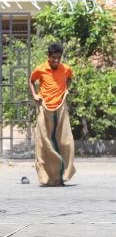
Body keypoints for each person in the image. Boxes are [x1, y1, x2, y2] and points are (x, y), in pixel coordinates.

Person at [29, 43, 75, 186]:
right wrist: (35, 95)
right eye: (53, 58)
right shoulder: (41, 69)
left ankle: (63, 174)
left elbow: (70, 78)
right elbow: (31, 81)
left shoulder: (66, 69)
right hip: (44, 108)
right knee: (44, 141)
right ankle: (46, 177)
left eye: (58, 58)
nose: (56, 60)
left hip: (60, 108)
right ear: (48, 57)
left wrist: (65, 90)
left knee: (66, 141)